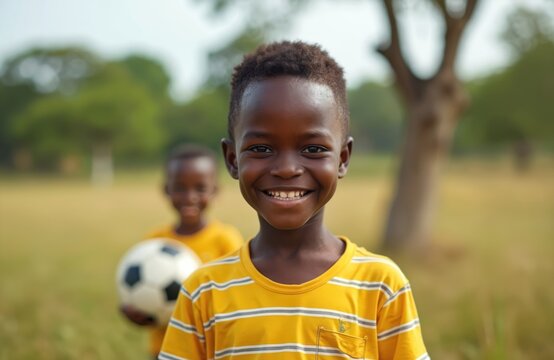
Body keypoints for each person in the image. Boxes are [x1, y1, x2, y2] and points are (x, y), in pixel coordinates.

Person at [159, 41, 429, 359]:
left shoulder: (381, 285)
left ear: (343, 158)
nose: (287, 169)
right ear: (232, 159)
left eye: (313, 149)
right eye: (261, 148)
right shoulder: (204, 291)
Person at [121, 144, 243, 358]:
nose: (190, 196)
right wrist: (138, 312)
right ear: (166, 190)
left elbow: (240, 295)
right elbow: (140, 299)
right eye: (180, 188)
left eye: (200, 188)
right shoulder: (154, 242)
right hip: (165, 350)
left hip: (213, 350)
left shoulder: (225, 240)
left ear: (215, 191)